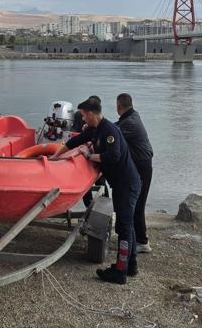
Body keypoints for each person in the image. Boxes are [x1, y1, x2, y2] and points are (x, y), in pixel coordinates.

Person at [54, 97, 141, 284]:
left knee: (124, 227)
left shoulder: (110, 131)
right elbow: (75, 141)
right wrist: (54, 157)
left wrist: (90, 155)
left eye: (84, 116)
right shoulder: (96, 130)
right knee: (127, 225)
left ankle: (120, 272)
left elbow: (113, 156)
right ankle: (130, 266)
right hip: (120, 184)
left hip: (127, 184)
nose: (83, 119)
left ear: (92, 114)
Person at [116, 93, 154, 253]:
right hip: (140, 165)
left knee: (138, 203)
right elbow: (115, 126)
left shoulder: (130, 122)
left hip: (142, 166)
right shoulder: (131, 116)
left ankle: (142, 241)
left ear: (119, 106)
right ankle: (131, 236)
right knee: (133, 202)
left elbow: (113, 133)